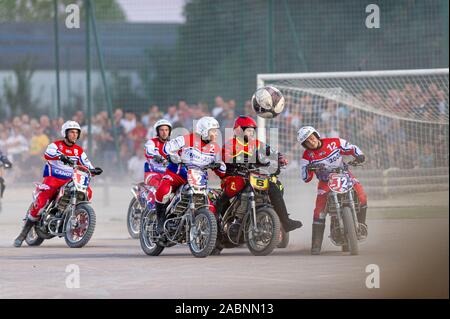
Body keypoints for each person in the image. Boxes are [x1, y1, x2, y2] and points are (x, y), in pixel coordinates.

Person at [13, 121, 103, 247]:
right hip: (53, 178)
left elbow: (87, 164)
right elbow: (47, 154)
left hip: (71, 179)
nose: (74, 135)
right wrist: (60, 157)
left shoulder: (79, 151)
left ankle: (75, 213)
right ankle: (23, 234)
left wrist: (94, 170)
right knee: (42, 200)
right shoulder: (55, 145)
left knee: (88, 192)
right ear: (65, 133)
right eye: (72, 132)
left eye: (77, 132)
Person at [217, 116, 303, 232]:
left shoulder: (256, 143)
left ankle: (285, 221)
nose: (252, 133)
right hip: (234, 176)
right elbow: (226, 157)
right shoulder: (230, 144)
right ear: (239, 130)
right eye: (248, 130)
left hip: (251, 176)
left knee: (274, 186)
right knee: (237, 185)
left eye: (253, 131)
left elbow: (271, 151)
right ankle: (217, 219)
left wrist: (280, 158)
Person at [297, 126, 367, 255]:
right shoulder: (306, 156)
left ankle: (361, 225)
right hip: (325, 182)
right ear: (304, 145)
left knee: (362, 196)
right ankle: (316, 245)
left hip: (344, 174)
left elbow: (351, 147)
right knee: (319, 211)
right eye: (307, 142)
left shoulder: (334, 142)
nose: (311, 142)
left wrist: (360, 155)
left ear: (316, 135)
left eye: (312, 138)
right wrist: (309, 168)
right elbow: (305, 178)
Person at [154, 116, 226, 233]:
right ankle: (160, 221)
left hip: (198, 179)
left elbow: (221, 171)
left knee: (212, 206)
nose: (216, 134)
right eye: (213, 131)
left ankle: (214, 235)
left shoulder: (215, 148)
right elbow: (167, 147)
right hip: (177, 174)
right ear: (204, 130)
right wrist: (170, 156)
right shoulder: (187, 138)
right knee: (164, 190)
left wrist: (220, 166)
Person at [144, 119, 172, 187]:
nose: (164, 132)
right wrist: (155, 156)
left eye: (166, 130)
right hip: (153, 173)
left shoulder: (172, 144)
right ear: (157, 132)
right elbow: (148, 151)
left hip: (168, 174)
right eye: (161, 130)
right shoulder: (152, 142)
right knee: (159, 187)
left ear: (169, 131)